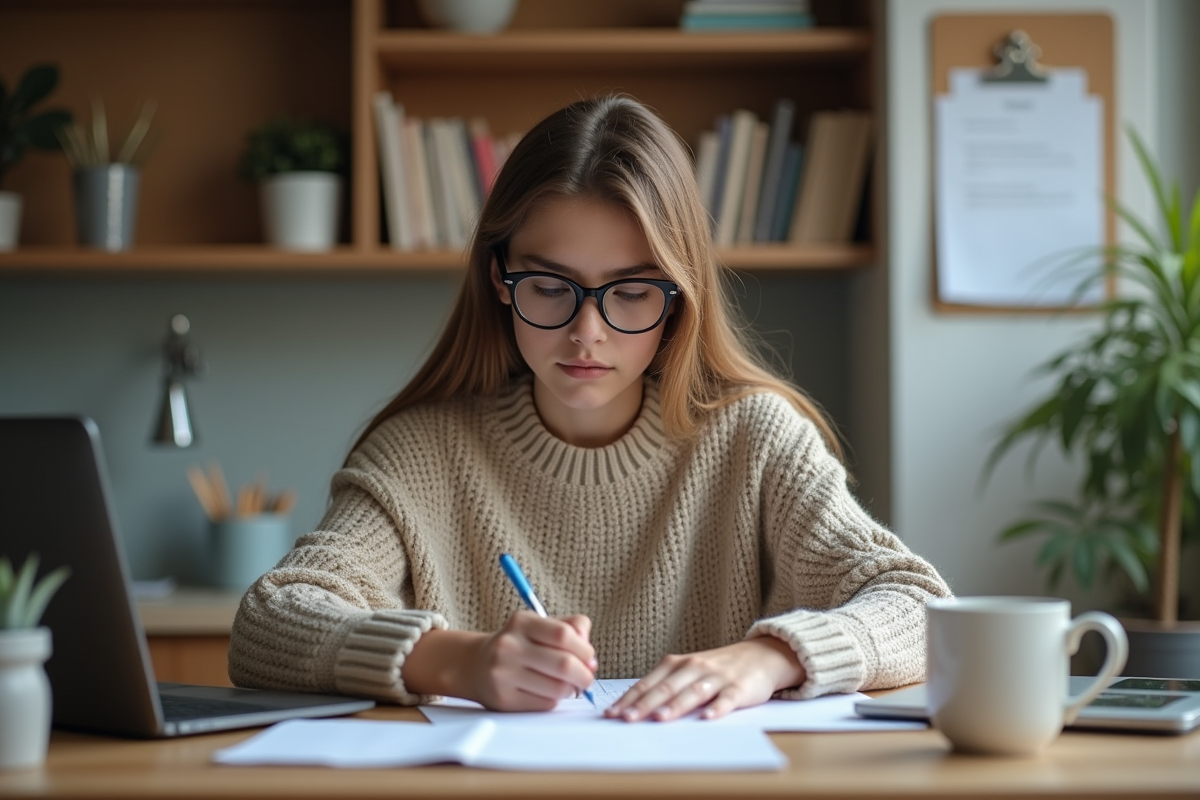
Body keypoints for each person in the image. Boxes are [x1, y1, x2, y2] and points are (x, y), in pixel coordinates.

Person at [228, 95, 951, 722]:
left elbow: (918, 607)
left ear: (679, 300)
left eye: (632, 292)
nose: (587, 332)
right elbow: (268, 623)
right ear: (501, 280)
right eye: (550, 285)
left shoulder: (755, 439)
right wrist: (456, 663)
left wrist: (768, 658)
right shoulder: (421, 452)